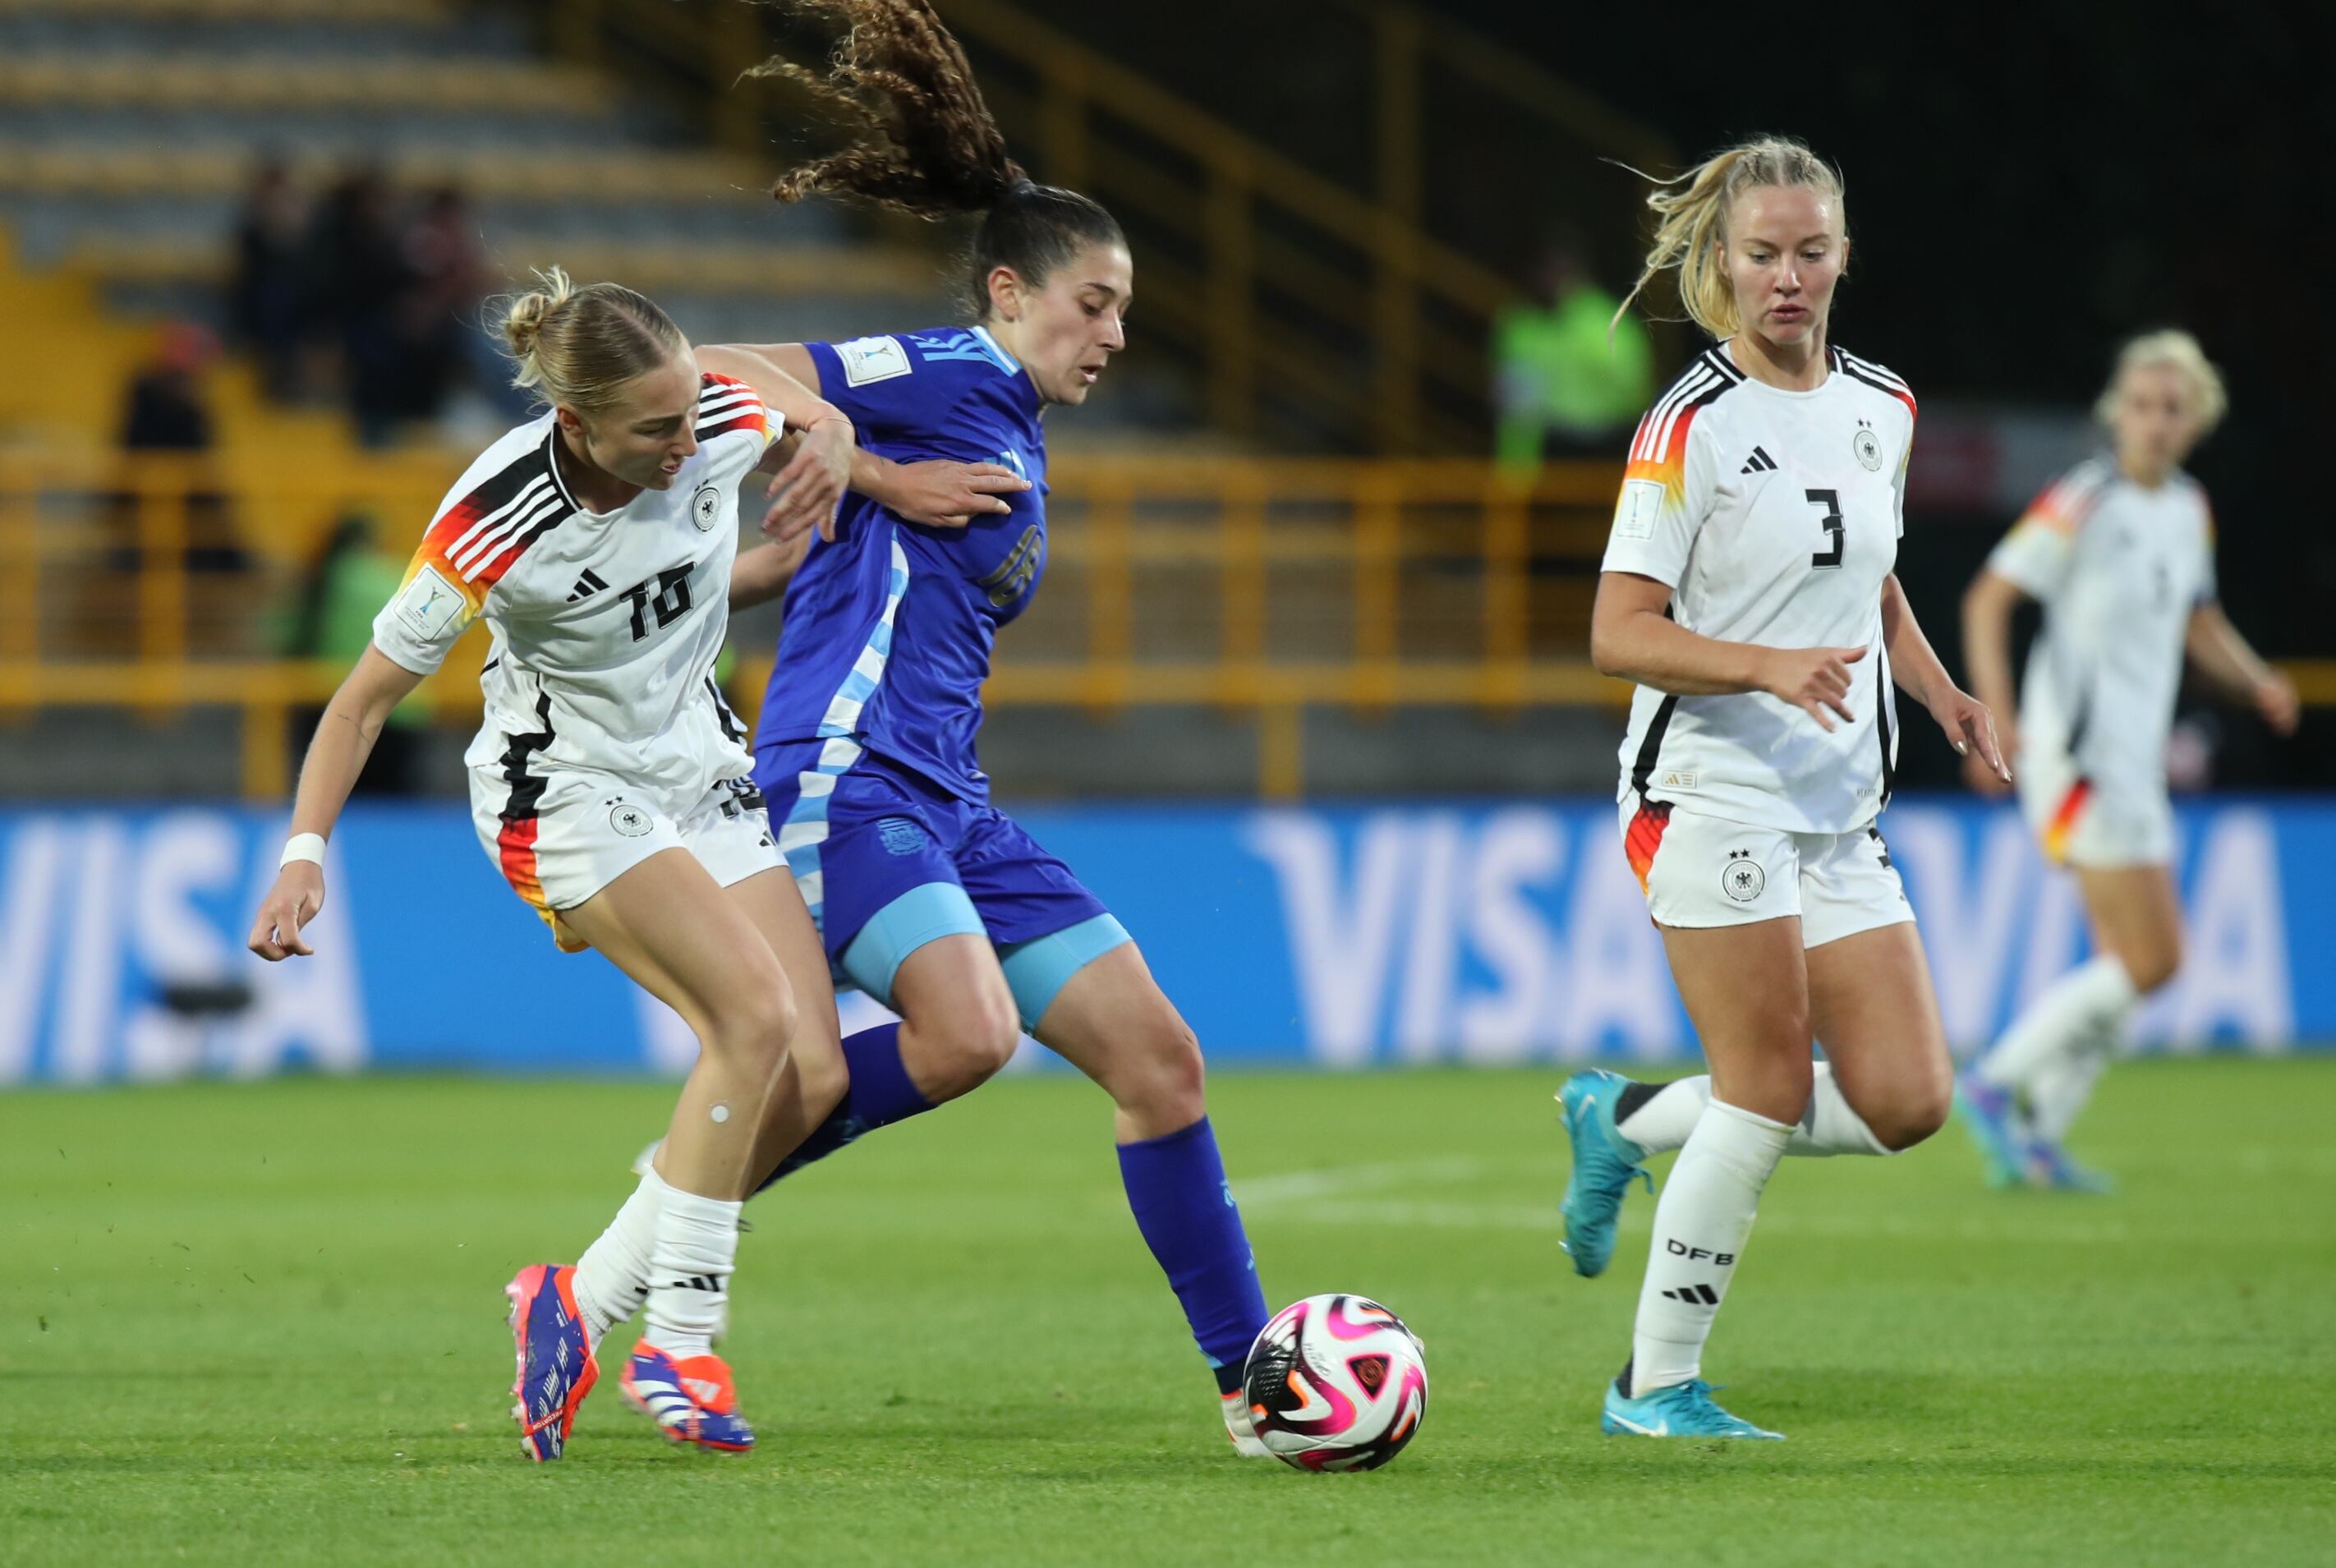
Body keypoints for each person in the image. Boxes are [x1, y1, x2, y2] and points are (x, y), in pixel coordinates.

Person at [597, 0, 1277, 1457]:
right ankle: (621, 1264)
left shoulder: (1012, 421)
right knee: (960, 1032)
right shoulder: (951, 370)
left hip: (946, 796)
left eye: (1122, 313)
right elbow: (709, 357)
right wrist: (857, 457)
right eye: (1091, 303)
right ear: (1010, 289)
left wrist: (877, 480)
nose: (1110, 332)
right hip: (842, 776)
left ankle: (1250, 1385)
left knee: (1160, 1060)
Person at [246, 268, 867, 1460]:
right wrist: (305, 852)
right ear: (576, 422)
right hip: (564, 788)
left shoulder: (715, 416)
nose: (691, 442)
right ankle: (681, 1342)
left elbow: (769, 400)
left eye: (693, 411)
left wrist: (825, 440)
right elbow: (362, 701)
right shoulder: (494, 515)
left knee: (813, 1074)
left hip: (696, 759)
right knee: (750, 1018)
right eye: (657, 427)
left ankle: (570, 1303)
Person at [1557, 136, 2007, 1440]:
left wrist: (1940, 693)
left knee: (1910, 1100)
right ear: (1724, 263)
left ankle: (1625, 1114)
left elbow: (1868, 575)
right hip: (1705, 787)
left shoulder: (1885, 406)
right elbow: (1617, 630)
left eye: (1812, 251)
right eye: (1763, 254)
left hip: (1837, 809)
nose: (1788, 276)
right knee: (1761, 1083)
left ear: (1844, 255)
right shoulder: (1687, 427)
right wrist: (1759, 665)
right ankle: (1653, 1388)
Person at [1954, 331, 2299, 1189]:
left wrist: (2258, 680)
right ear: (2119, 413)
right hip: (2078, 760)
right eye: (2141, 405)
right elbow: (1988, 597)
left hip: (2132, 762)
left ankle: (2036, 1138)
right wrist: (1996, 718)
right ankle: (1998, 1084)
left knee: (2127, 966)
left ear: (2197, 421)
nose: (2154, 421)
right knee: (2156, 960)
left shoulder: (2187, 508)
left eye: (2172, 408)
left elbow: (2196, 619)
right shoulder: (2085, 498)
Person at [1492, 230, 1654, 470]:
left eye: (1559, 270)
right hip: (1540, 456)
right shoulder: (1518, 327)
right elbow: (1512, 404)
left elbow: (1635, 392)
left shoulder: (1606, 321)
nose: (1551, 278)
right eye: (1546, 269)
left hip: (1605, 448)